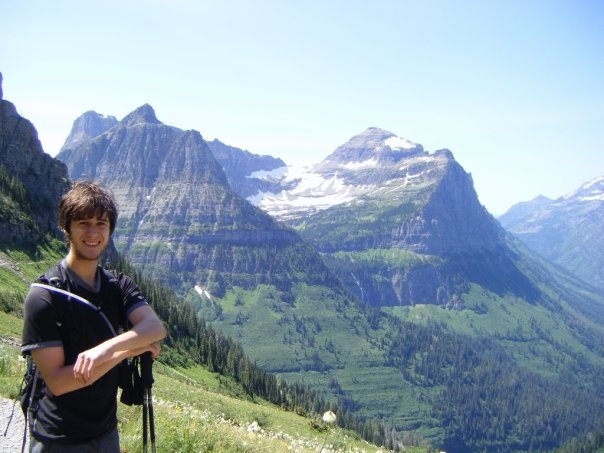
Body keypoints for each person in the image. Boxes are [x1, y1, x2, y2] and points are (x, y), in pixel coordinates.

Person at [21, 181, 167, 452]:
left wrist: (104, 350)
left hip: (106, 433)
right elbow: (60, 381)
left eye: (101, 223)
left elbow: (155, 327)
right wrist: (128, 350)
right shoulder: (44, 297)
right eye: (83, 223)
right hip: (58, 439)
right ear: (67, 228)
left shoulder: (119, 286)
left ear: (110, 229)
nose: (93, 232)